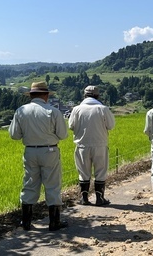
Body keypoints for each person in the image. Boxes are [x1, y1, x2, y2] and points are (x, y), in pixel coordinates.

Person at [9, 81, 69, 231]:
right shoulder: (53, 111)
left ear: (31, 95)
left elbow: (14, 135)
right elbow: (63, 135)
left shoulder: (21, 111)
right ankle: (54, 222)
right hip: (49, 151)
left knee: (29, 183)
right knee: (52, 185)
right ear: (46, 95)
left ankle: (26, 222)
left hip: (30, 151)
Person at [68, 85, 115, 206]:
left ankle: (84, 198)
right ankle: (99, 198)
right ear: (97, 95)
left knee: (83, 172)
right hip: (100, 144)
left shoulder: (76, 109)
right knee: (100, 171)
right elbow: (111, 126)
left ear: (84, 95)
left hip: (82, 145)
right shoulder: (103, 108)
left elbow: (71, 126)